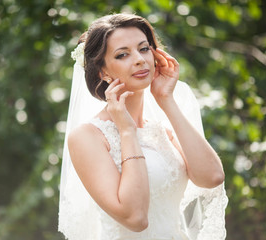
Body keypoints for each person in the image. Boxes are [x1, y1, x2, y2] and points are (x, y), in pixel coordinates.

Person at [58, 13, 228, 240]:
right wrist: (127, 131)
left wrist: (166, 99)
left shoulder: (162, 130)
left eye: (144, 49)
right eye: (122, 54)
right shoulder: (88, 137)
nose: (139, 59)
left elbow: (213, 177)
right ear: (103, 71)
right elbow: (136, 219)